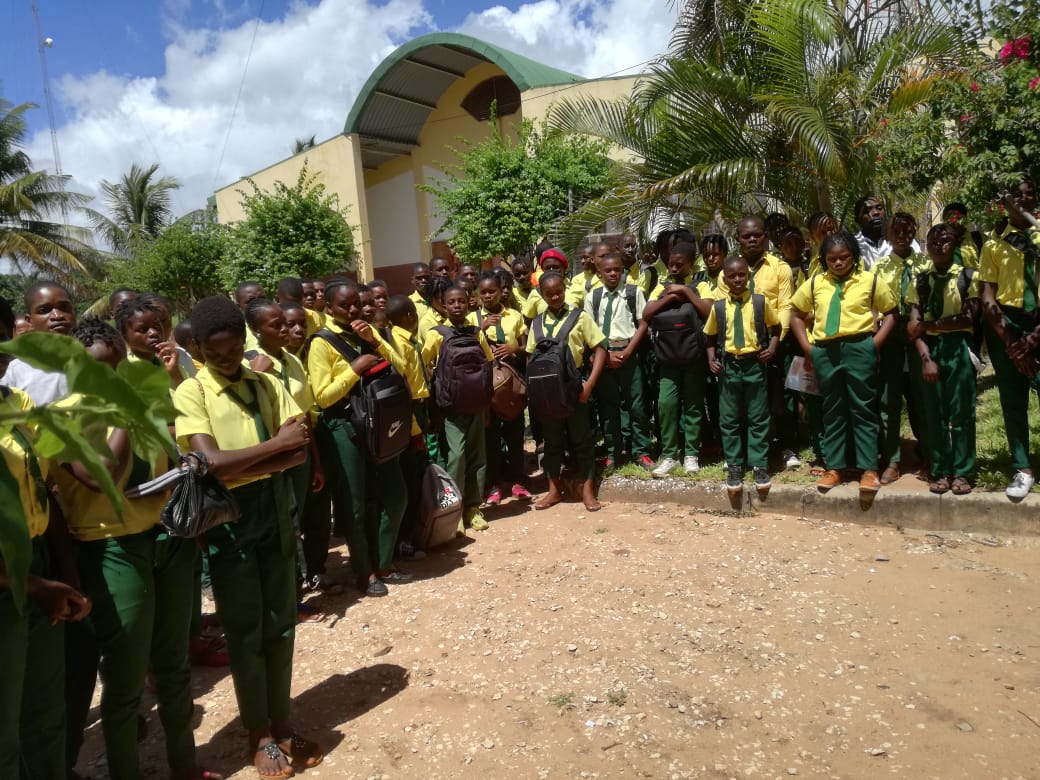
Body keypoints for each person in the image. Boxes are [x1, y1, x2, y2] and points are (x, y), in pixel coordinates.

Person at [56, 318, 219, 780]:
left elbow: (167, 460)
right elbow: (101, 475)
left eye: (117, 367)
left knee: (173, 666)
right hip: (111, 548)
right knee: (126, 679)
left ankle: (184, 765)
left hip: (166, 539)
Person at [173, 295, 320, 778]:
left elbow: (297, 451)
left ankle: (282, 724)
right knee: (245, 632)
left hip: (275, 511)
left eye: (234, 348)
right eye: (215, 354)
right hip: (231, 523)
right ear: (198, 348)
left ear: (243, 340)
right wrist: (273, 449)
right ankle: (257, 734)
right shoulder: (191, 393)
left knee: (281, 625)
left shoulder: (265, 383)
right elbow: (210, 462)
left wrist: (259, 458)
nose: (228, 359)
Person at [0, 295, 91, 780]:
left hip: (38, 563)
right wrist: (36, 586)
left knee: (45, 710)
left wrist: (66, 575)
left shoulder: (19, 403)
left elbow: (43, 485)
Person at [307, 280, 411, 595]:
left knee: (395, 496)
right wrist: (355, 368)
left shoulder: (368, 331)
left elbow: (403, 366)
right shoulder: (321, 343)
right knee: (353, 505)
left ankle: (382, 562)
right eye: (344, 305)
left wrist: (375, 344)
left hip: (379, 425)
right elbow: (323, 397)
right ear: (329, 307)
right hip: (344, 429)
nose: (353, 310)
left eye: (356, 303)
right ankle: (365, 572)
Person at [790, 232, 899, 495]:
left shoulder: (870, 280)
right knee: (833, 409)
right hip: (826, 351)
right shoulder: (816, 283)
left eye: (844, 258)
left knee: (863, 409)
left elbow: (892, 312)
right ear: (824, 260)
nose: (838, 263)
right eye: (832, 259)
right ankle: (835, 467)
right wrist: (809, 349)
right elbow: (795, 313)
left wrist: (874, 344)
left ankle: (869, 469)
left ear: (853, 256)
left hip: (860, 347)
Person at [243, 299, 334, 595]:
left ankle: (311, 574)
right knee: (287, 522)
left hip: (302, 452)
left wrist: (316, 461)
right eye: (276, 325)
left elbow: (305, 413)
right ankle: (291, 592)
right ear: (256, 331)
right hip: (274, 458)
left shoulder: (292, 360)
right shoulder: (247, 366)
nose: (286, 329)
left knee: (311, 515)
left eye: (288, 322)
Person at [905, 223, 980, 495]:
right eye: (934, 241)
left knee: (961, 411)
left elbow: (968, 317)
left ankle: (963, 470)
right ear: (927, 246)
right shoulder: (920, 281)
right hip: (930, 349)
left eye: (946, 240)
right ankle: (940, 469)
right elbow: (913, 327)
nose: (939, 245)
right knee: (933, 412)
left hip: (958, 347)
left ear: (955, 244)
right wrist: (926, 358)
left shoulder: (969, 276)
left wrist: (928, 324)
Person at [977, 179, 1040, 499]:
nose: (1023, 200)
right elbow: (988, 297)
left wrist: (1034, 338)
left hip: (1039, 324)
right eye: (1016, 195)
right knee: (1012, 400)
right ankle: (1022, 467)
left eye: (1029, 195)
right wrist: (1013, 342)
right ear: (1005, 202)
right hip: (1006, 325)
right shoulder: (993, 245)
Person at [528, 271, 607, 511]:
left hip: (574, 389)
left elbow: (601, 348)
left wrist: (589, 385)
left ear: (565, 289)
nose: (555, 297)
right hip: (547, 394)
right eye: (549, 294)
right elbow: (531, 356)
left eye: (559, 292)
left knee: (582, 440)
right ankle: (554, 490)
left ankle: (587, 490)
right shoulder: (536, 322)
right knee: (551, 443)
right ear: (542, 295)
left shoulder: (580, 317)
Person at [705, 256, 780, 497]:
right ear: (724, 279)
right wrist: (711, 360)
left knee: (758, 416)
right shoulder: (718, 307)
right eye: (732, 276)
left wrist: (773, 347)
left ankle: (759, 464)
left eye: (742, 275)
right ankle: (734, 465)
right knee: (729, 418)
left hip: (754, 364)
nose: (737, 279)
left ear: (748, 276)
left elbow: (776, 327)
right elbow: (709, 336)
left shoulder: (760, 302)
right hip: (730, 366)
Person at [424, 284, 495, 530]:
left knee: (478, 456)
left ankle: (473, 508)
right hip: (451, 408)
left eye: (461, 302)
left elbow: (488, 362)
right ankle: (453, 510)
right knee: (456, 457)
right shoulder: (437, 334)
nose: (457, 306)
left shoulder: (477, 333)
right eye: (451, 302)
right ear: (443, 305)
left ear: (469, 303)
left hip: (475, 405)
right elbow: (424, 364)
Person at [644, 242, 709, 476]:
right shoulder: (661, 287)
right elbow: (647, 313)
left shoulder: (701, 285)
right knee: (666, 405)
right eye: (671, 264)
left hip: (694, 357)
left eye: (680, 265)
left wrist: (686, 292)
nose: (674, 268)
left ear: (691, 264)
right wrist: (669, 297)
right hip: (667, 359)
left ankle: (691, 454)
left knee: (693, 406)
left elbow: (708, 311)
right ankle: (669, 455)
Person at [872, 212, 928, 483]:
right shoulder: (879, 267)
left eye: (908, 231)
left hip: (921, 334)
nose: (904, 236)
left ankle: (928, 456)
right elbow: (873, 308)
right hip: (891, 335)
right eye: (897, 232)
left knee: (923, 397)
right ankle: (892, 459)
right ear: (888, 236)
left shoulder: (925, 263)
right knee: (889, 399)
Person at [585, 250, 652, 470]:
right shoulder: (593, 297)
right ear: (599, 273)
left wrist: (629, 351)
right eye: (608, 270)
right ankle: (613, 452)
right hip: (604, 356)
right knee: (608, 406)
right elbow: (589, 329)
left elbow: (643, 324)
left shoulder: (634, 293)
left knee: (637, 405)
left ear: (623, 271)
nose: (613, 274)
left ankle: (641, 451)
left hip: (629, 354)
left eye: (617, 270)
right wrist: (604, 355)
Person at [470, 271, 530, 504]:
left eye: (492, 291)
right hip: (486, 384)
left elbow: (527, 346)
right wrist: (481, 328)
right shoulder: (472, 318)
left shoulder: (514, 315)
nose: (488, 296)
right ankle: (494, 484)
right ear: (478, 293)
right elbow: (465, 346)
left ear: (500, 291)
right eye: (483, 292)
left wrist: (513, 348)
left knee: (514, 433)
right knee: (491, 435)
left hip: (511, 382)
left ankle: (518, 481)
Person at [385, 294, 432, 559]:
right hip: (409, 412)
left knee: (418, 470)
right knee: (409, 475)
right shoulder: (398, 345)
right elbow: (404, 389)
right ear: (411, 316)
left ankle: (416, 530)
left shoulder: (409, 340)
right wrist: (415, 428)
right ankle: (405, 538)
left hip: (419, 408)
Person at [5, 281, 76, 405]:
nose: (57, 316)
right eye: (44, 310)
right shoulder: (13, 373)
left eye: (64, 308)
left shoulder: (99, 358)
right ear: (30, 320)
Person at [114, 296, 186, 387]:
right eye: (142, 329)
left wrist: (175, 373)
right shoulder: (126, 371)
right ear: (124, 334)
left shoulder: (170, 363)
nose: (154, 333)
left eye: (156, 326)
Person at [567, 243, 599, 308]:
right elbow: (573, 300)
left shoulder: (606, 276)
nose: (582, 261)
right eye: (581, 258)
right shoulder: (577, 279)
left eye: (585, 258)